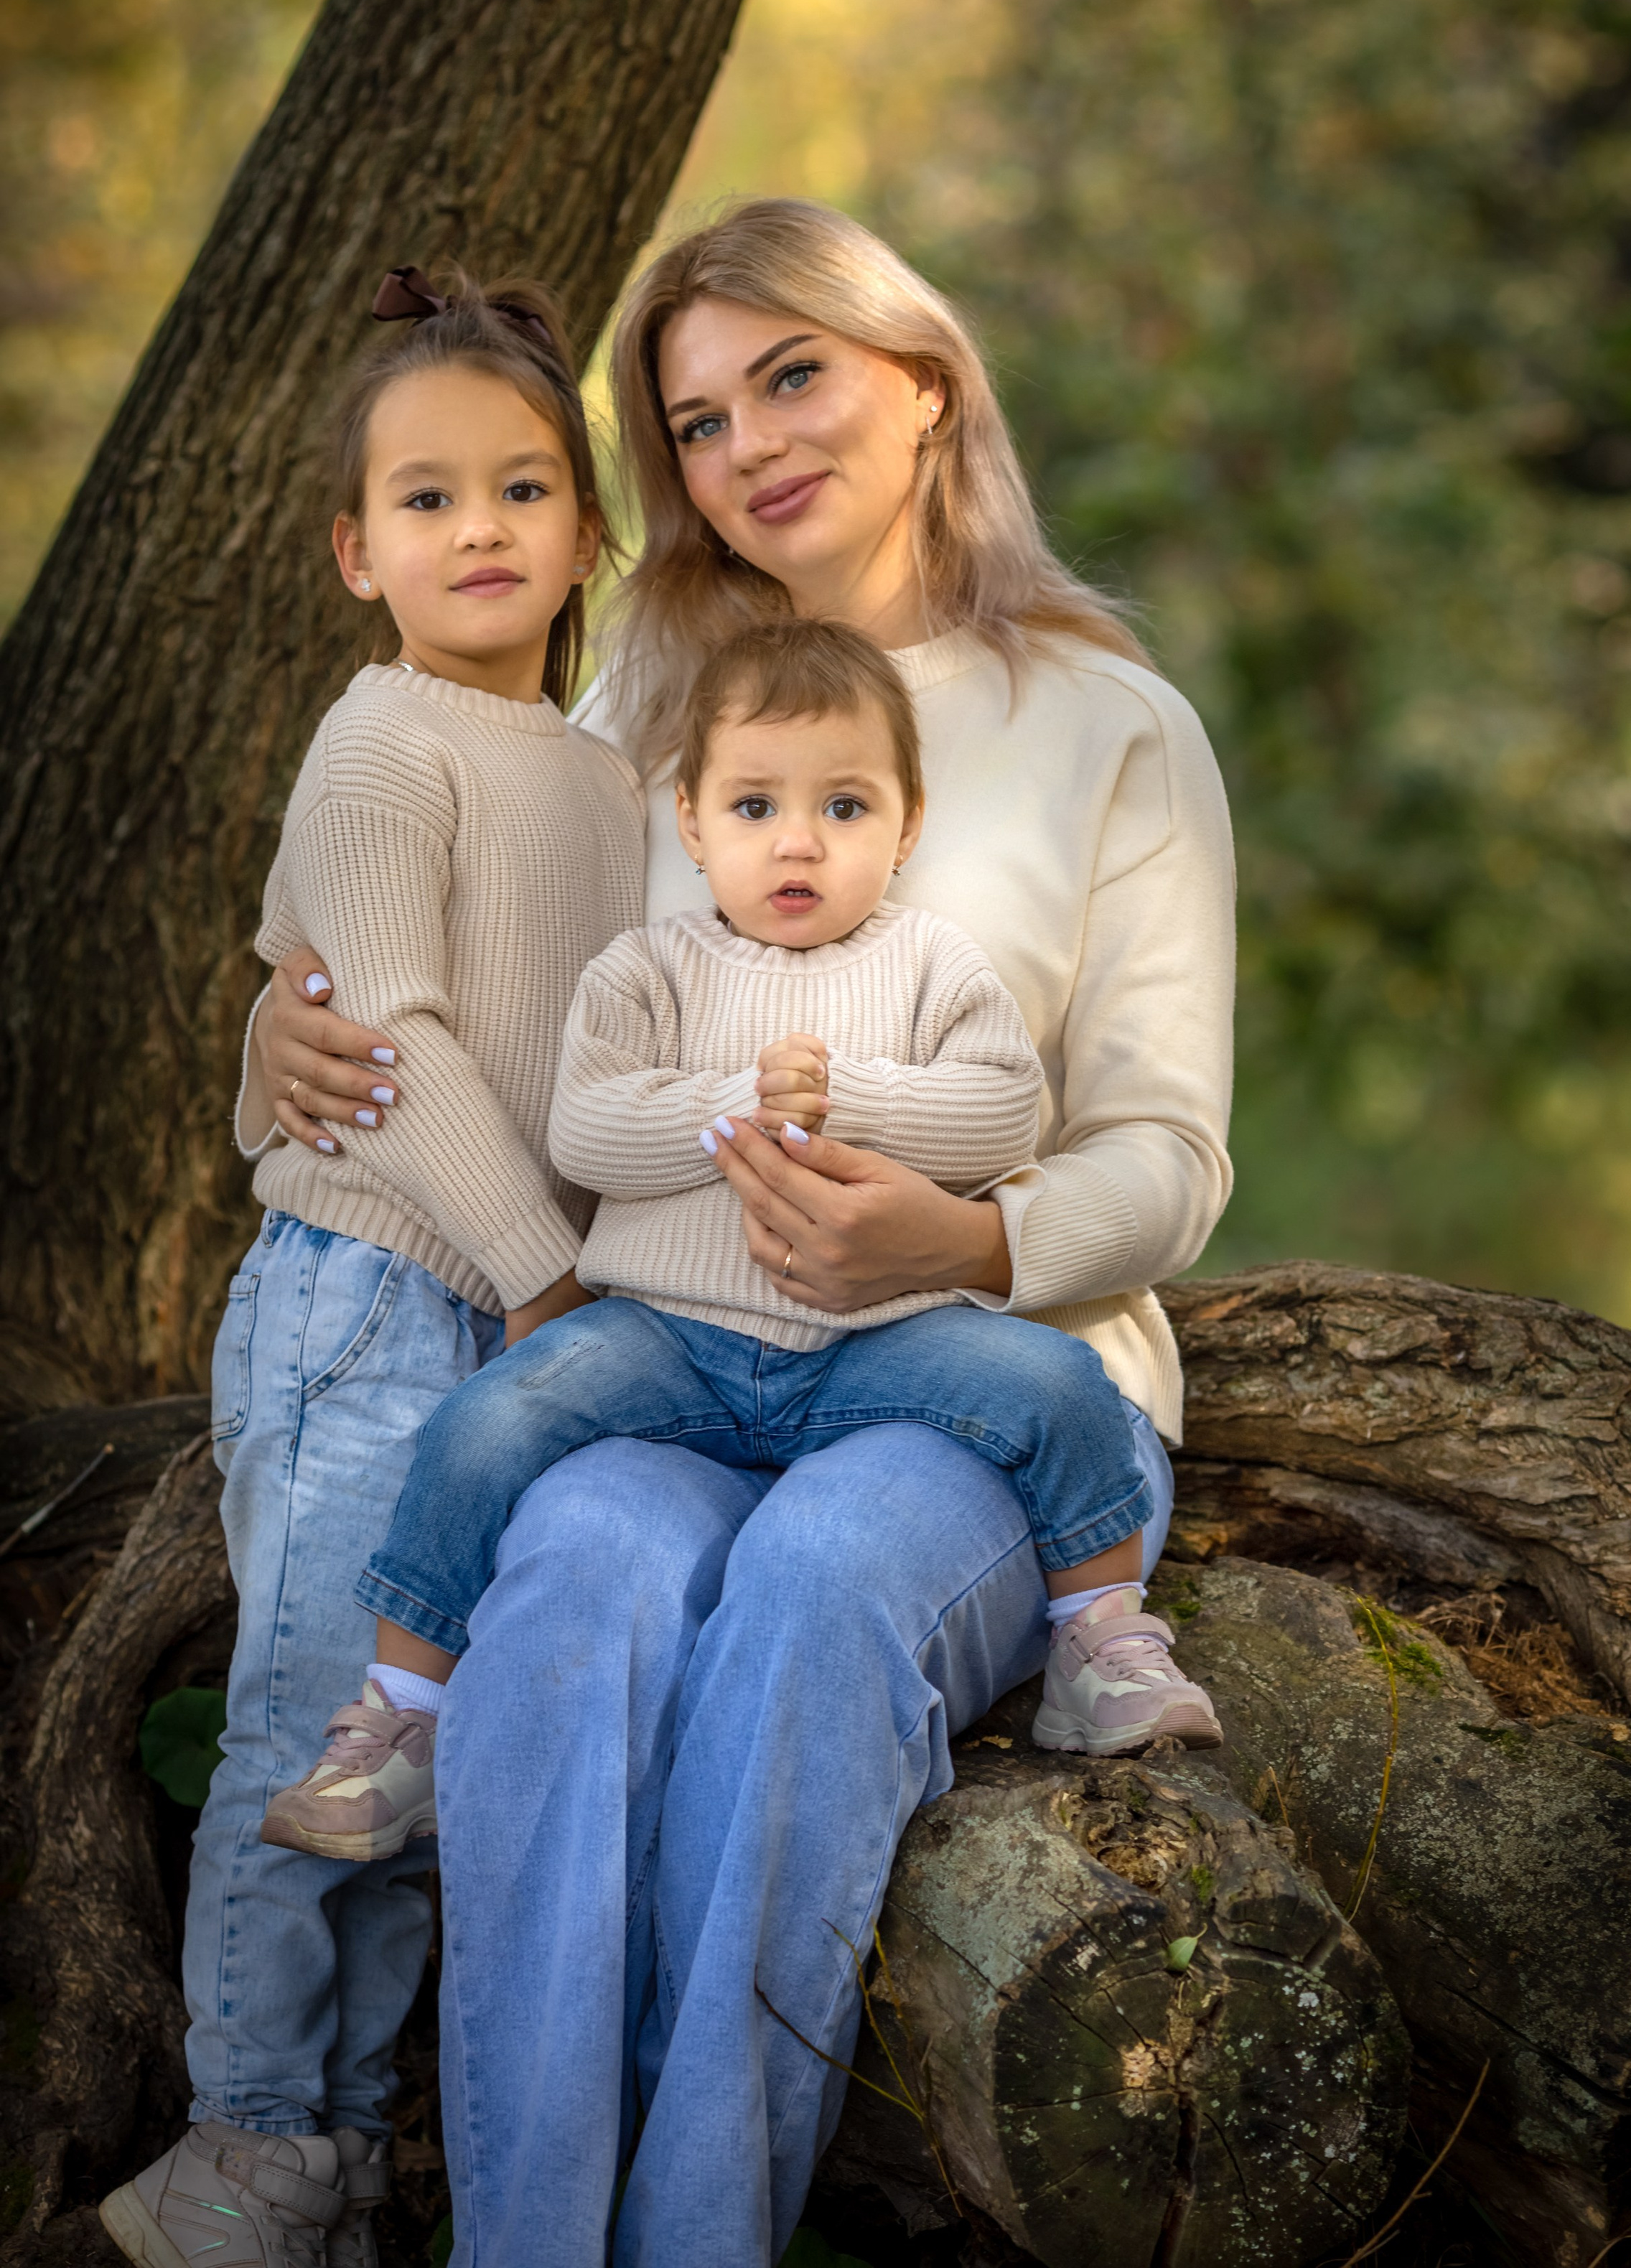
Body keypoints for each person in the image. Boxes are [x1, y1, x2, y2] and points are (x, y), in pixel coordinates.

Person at [251, 199, 1237, 2267]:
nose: (750, 445)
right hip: (679, 1351)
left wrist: (961, 1244)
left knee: (807, 1592)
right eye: (696, 422)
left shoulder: (1107, 722)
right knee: (573, 1586)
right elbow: (478, 984)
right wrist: (288, 1016)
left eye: (792, 376)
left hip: (985, 1385)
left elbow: (1168, 1154)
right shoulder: (638, 698)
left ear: (925, 381)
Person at [261, 617, 1218, 1863]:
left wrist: (850, 1099)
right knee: (486, 1421)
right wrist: (735, 1109)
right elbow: (590, 1130)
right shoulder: (645, 972)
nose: (798, 841)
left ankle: (1103, 1646)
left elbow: (1001, 1112)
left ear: (908, 827)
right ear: (693, 824)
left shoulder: (934, 965)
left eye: (845, 806)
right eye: (756, 806)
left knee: (1059, 1384)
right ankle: (402, 1721)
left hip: (875, 1346)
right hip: (667, 1339)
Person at [101, 270, 645, 2268]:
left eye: (523, 487)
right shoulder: (380, 741)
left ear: (588, 531)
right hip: (377, 1299)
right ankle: (248, 2131)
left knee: (421, 1755)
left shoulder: (606, 773)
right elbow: (381, 1032)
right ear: (355, 552)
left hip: (524, 1317)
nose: (479, 528)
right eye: (427, 499)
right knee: (317, 1719)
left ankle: (336, 2159)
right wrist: (540, 1279)